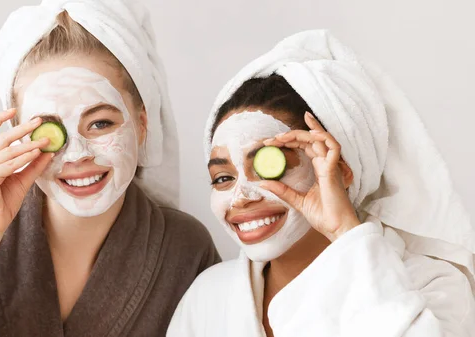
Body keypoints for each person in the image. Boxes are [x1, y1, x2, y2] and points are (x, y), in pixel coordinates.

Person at [0, 1, 220, 336]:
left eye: (100, 123)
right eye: (50, 131)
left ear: (142, 125)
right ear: (18, 134)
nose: (76, 155)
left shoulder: (185, 249)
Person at [167, 30, 475, 337]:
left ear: (341, 169)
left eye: (268, 168)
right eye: (223, 178)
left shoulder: (432, 284)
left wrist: (345, 231)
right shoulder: (208, 297)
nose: (241, 197)